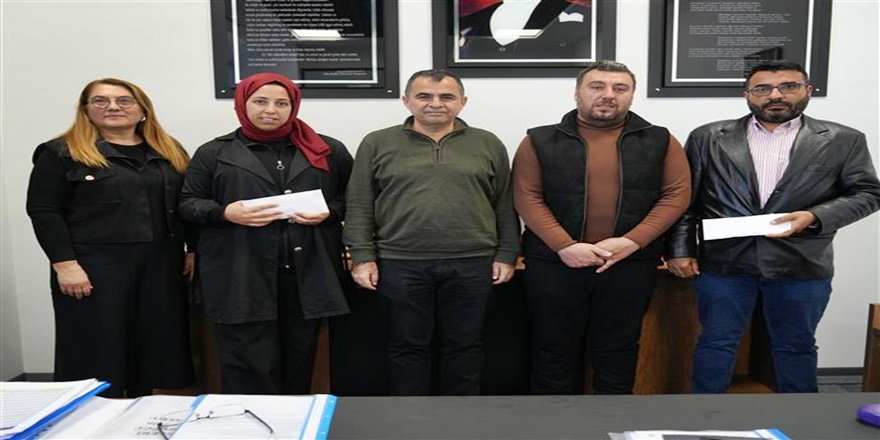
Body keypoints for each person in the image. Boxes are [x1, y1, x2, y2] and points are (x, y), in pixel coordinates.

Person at [666, 60, 880, 393]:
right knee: (716, 343)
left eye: (788, 86)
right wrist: (680, 250)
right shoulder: (707, 137)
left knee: (796, 346)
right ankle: (703, 414)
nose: (775, 95)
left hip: (801, 263)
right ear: (747, 94)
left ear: (808, 91)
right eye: (763, 88)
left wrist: (814, 217)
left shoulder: (843, 139)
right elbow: (685, 200)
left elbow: (868, 193)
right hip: (724, 263)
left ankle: (799, 416)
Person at [512, 60, 691, 394]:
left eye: (620, 88)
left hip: (630, 262)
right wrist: (564, 246)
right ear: (577, 92)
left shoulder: (660, 140)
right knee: (553, 348)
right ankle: (552, 419)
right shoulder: (539, 140)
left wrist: (633, 241)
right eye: (597, 86)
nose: (608, 94)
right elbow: (527, 196)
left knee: (618, 349)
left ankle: (613, 419)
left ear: (631, 95)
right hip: (554, 263)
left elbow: (676, 195)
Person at [344, 69, 520, 396]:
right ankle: (411, 416)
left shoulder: (487, 143)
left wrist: (507, 253)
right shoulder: (376, 143)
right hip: (400, 262)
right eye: (424, 96)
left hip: (473, 261)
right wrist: (362, 256)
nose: (435, 103)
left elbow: (505, 202)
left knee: (465, 345)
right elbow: (359, 203)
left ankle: (460, 415)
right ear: (406, 101)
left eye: (446, 97)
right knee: (406, 345)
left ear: (462, 102)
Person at [179, 73, 352, 395]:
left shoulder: (328, 149)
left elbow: (353, 199)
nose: (271, 110)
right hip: (240, 271)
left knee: (300, 357)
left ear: (293, 106)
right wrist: (224, 212)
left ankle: (294, 418)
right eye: (260, 101)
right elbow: (188, 203)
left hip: (306, 273)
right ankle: (249, 418)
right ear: (242, 104)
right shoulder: (213, 152)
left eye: (281, 103)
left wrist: (330, 212)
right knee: (246, 360)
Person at [26, 78, 194, 398]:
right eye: (100, 101)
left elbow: (185, 203)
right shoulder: (61, 152)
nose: (113, 107)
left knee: (152, 347)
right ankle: (92, 416)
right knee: (96, 349)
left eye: (124, 100)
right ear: (86, 110)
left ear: (143, 110)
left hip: (160, 265)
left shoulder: (168, 149)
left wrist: (192, 249)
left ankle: (141, 411)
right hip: (94, 268)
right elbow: (44, 211)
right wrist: (65, 264)